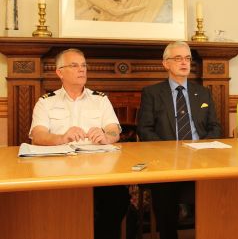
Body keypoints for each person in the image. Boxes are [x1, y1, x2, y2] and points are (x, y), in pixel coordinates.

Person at [29, 48, 129, 239]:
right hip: (59, 172)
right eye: (74, 66)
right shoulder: (46, 102)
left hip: (97, 172)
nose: (81, 70)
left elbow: (114, 129)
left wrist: (106, 136)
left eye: (83, 65)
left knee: (118, 198)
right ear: (60, 72)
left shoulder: (100, 99)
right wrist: (61, 137)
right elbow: (37, 135)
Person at [137, 41, 222, 239]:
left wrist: (201, 148)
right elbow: (145, 129)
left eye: (187, 58)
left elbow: (215, 127)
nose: (184, 63)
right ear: (165, 64)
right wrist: (170, 150)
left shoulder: (203, 92)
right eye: (178, 58)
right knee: (164, 190)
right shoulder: (152, 93)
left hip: (201, 159)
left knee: (220, 188)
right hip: (167, 161)